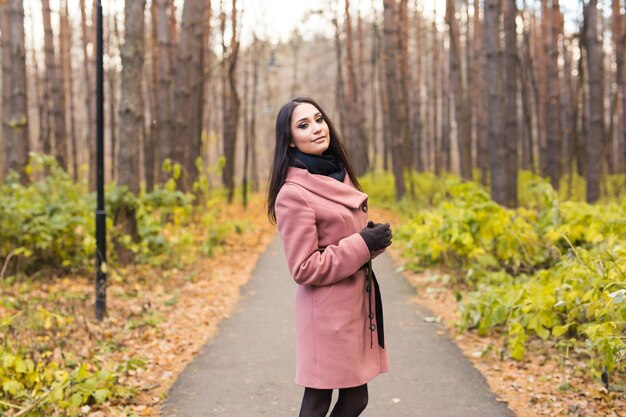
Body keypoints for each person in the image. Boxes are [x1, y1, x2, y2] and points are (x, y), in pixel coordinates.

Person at [267, 97, 392, 417]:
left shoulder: (336, 173)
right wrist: (362, 244)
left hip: (353, 308)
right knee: (320, 401)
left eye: (319, 120)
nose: (316, 129)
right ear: (290, 140)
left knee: (354, 399)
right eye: (303, 125)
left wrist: (372, 242)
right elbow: (304, 267)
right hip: (326, 314)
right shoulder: (293, 192)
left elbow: (340, 241)